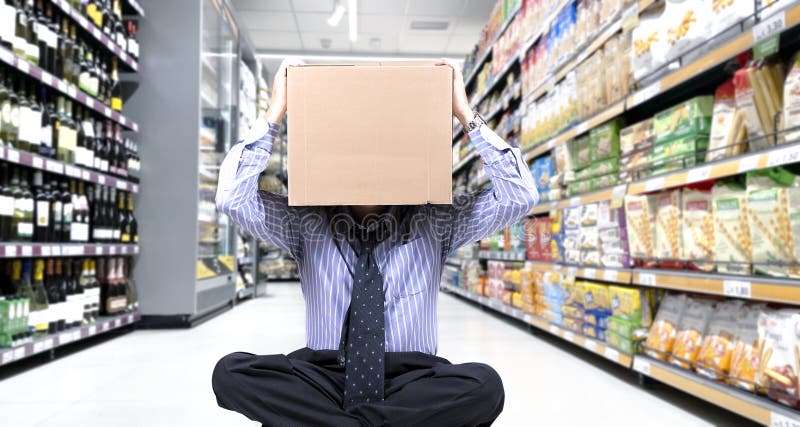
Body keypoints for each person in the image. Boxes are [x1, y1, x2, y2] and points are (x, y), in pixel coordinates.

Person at [212, 58, 539, 427]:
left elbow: (520, 197)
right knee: (231, 372)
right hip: (326, 372)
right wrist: (275, 112)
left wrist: (465, 114)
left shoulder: (436, 221)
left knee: (485, 385)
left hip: (411, 376)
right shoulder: (304, 222)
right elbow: (232, 200)